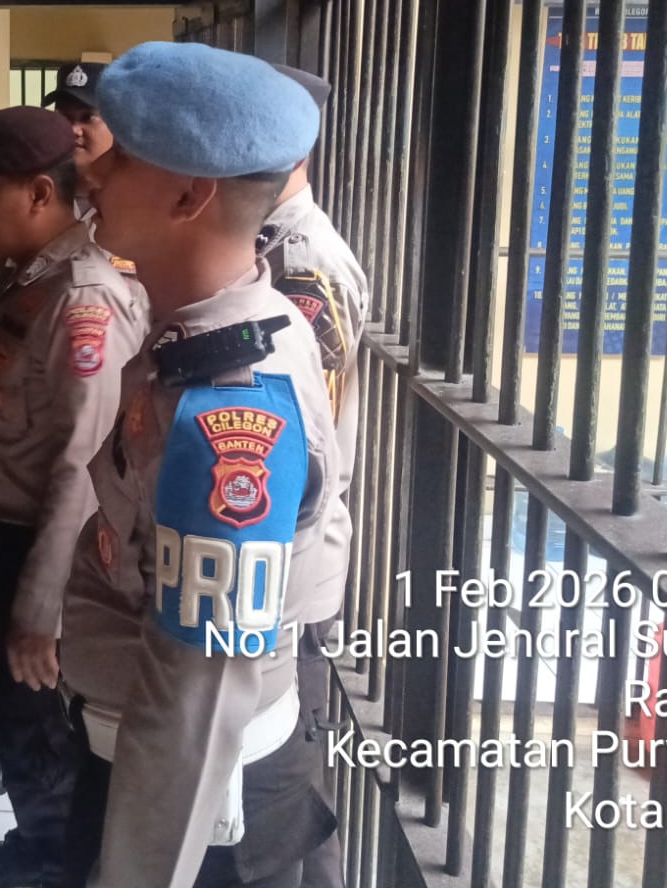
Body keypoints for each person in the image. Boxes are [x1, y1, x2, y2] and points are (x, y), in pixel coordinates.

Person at [58, 42, 340, 888]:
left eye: (124, 158)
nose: (94, 174)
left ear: (189, 196)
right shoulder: (211, 329)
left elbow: (199, 696)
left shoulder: (231, 412)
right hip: (157, 763)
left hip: (197, 810)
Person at [0, 106, 150, 888]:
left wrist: (42, 610)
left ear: (39, 192)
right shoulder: (23, 273)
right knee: (10, 708)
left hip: (49, 550)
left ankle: (50, 866)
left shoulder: (83, 301)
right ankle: (39, 847)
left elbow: (81, 469)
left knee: (35, 719)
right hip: (9, 535)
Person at [256, 66, 369, 888]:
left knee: (282, 788)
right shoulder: (269, 242)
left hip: (286, 562)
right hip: (267, 554)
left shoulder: (300, 260)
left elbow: (294, 434)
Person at [44, 61, 112, 221]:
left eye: (88, 117)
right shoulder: (38, 196)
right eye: (64, 117)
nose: (74, 129)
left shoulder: (134, 201)